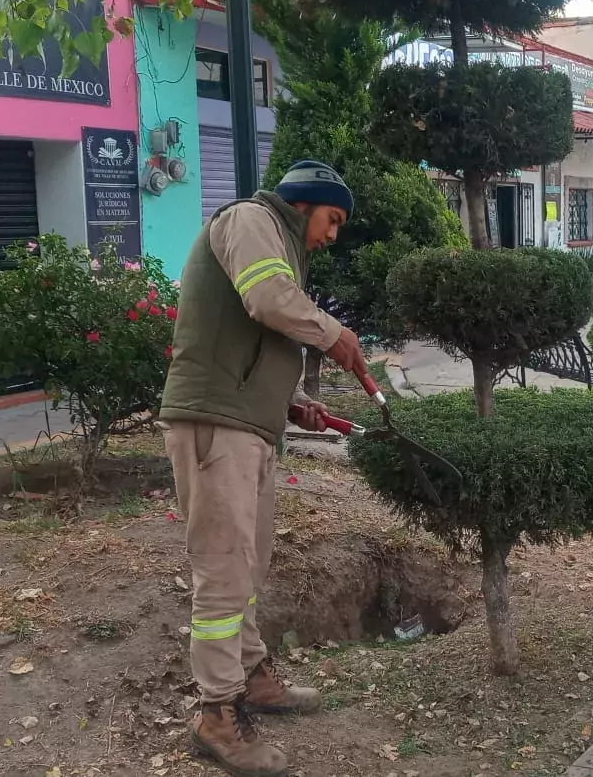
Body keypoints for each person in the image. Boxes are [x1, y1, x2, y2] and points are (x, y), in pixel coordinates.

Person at [158, 160, 367, 777]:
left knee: (248, 564)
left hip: (246, 426)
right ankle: (215, 714)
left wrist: (296, 404)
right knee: (222, 573)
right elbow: (267, 300)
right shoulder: (251, 219)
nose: (333, 236)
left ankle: (251, 678)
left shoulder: (280, 244)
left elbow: (254, 337)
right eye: (333, 220)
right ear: (303, 205)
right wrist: (334, 335)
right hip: (214, 423)